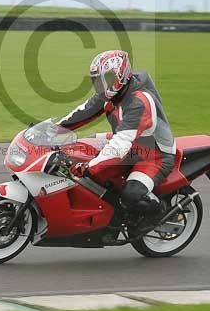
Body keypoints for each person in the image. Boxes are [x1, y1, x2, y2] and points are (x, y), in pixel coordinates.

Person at [57, 50, 176, 214]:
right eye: (98, 80)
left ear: (121, 76)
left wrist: (88, 168)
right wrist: (53, 130)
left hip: (153, 155)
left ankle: (160, 212)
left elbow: (119, 147)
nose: (102, 85)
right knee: (77, 147)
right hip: (129, 145)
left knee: (130, 195)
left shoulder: (139, 102)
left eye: (107, 79)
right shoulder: (111, 95)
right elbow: (83, 112)